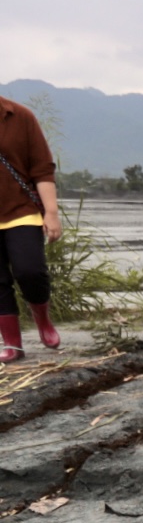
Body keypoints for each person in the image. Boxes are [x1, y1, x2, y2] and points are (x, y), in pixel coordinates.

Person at [0, 95, 62, 362]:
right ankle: (12, 343)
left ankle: (43, 320)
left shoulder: (19, 116)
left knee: (30, 271)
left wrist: (51, 212)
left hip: (21, 211)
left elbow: (42, 168)